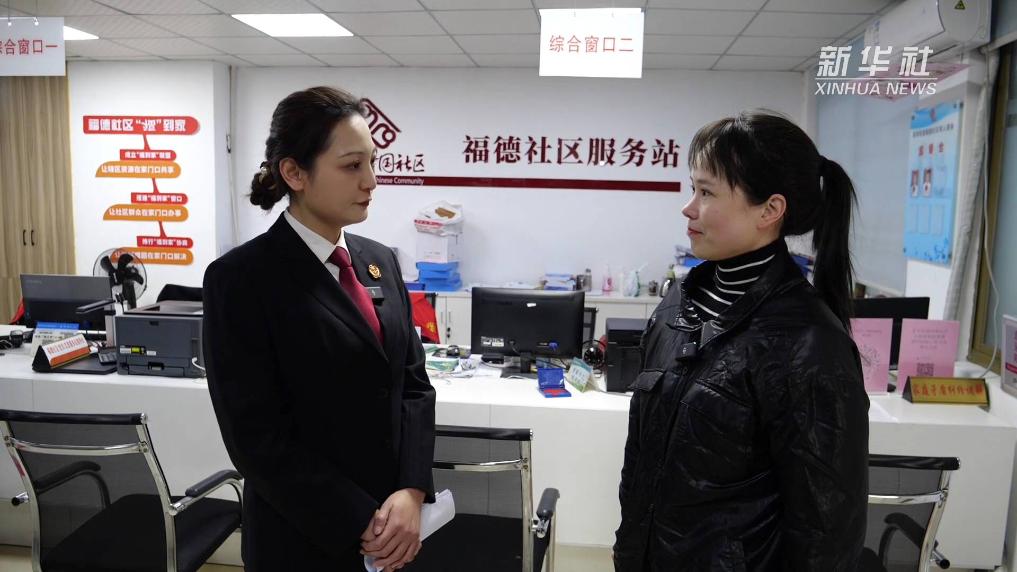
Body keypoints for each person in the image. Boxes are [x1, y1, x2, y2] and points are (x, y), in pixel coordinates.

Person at [613, 110, 869, 571]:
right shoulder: (676, 305)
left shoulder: (808, 342)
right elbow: (640, 457)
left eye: (707, 192)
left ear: (770, 210)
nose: (688, 208)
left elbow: (826, 530)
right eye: (693, 189)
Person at [202, 86, 436, 571]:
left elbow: (413, 385)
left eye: (372, 162)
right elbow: (254, 437)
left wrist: (412, 490)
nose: (371, 181)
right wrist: (358, 518)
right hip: (303, 537)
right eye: (352, 166)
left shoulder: (380, 262)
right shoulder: (243, 279)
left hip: (397, 528)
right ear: (294, 173)